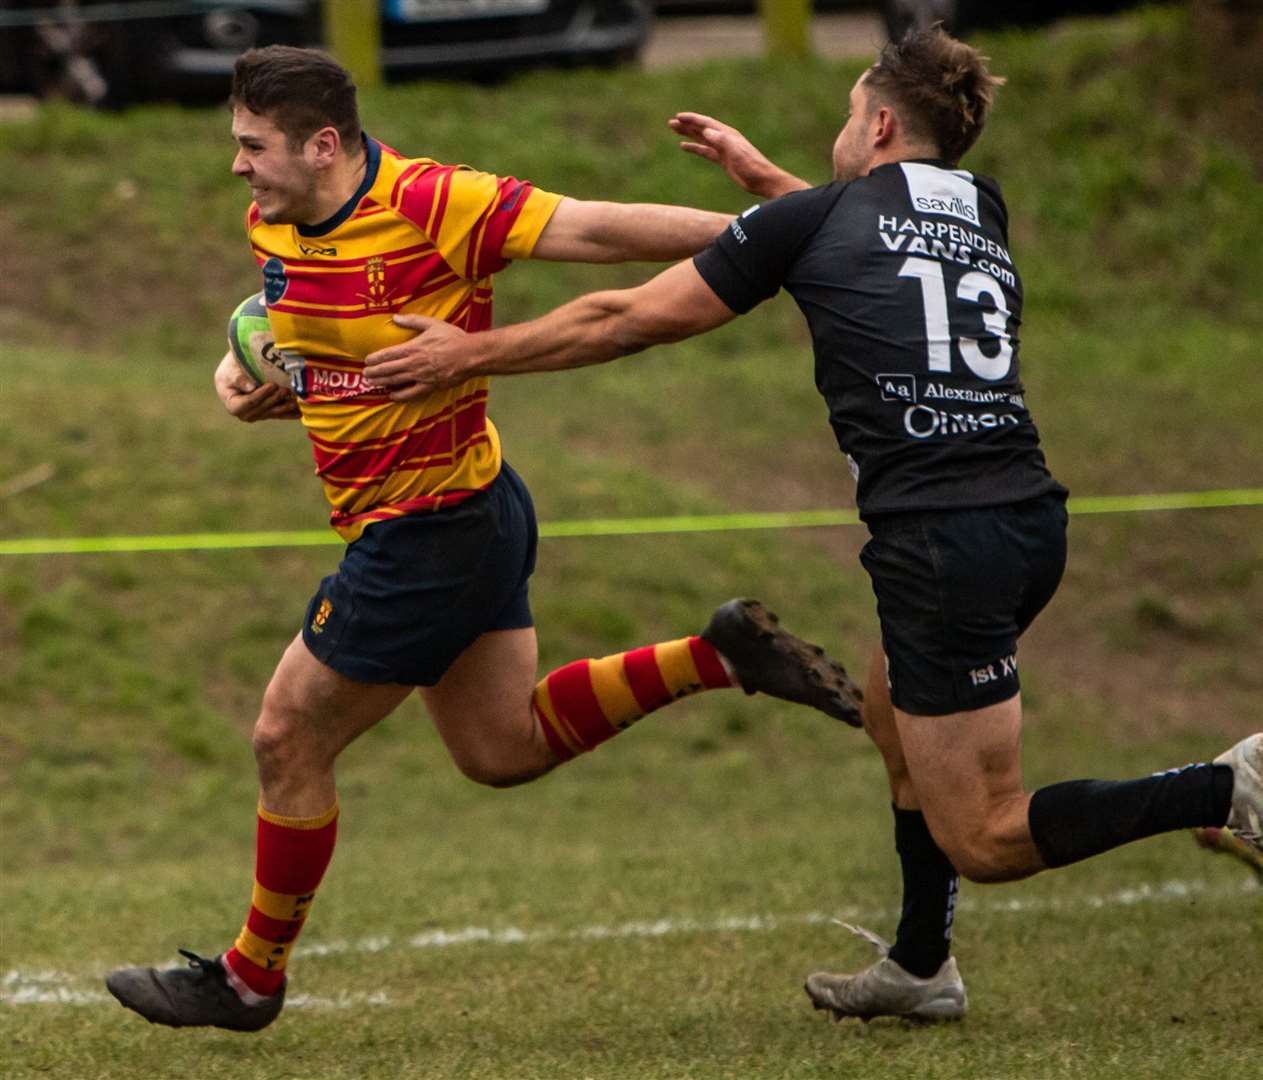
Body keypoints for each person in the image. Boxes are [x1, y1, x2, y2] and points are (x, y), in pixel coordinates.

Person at [358, 26, 1263, 1022]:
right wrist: (765, 180)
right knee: (890, 717)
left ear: (878, 123)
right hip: (1019, 518)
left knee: (989, 837)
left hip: (942, 541)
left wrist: (466, 355)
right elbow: (859, 232)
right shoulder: (979, 206)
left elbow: (624, 318)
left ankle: (1225, 790)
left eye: (845, 115)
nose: (839, 134)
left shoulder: (822, 218)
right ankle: (921, 968)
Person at [103, 45, 865, 1034]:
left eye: (253, 146)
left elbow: (595, 227)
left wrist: (780, 237)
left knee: (286, 735)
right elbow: (305, 330)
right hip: (476, 510)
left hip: (427, 536)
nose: (238, 166)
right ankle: (714, 656)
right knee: (501, 749)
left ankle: (250, 979)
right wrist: (256, 383)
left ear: (321, 144)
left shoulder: (433, 202)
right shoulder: (277, 219)